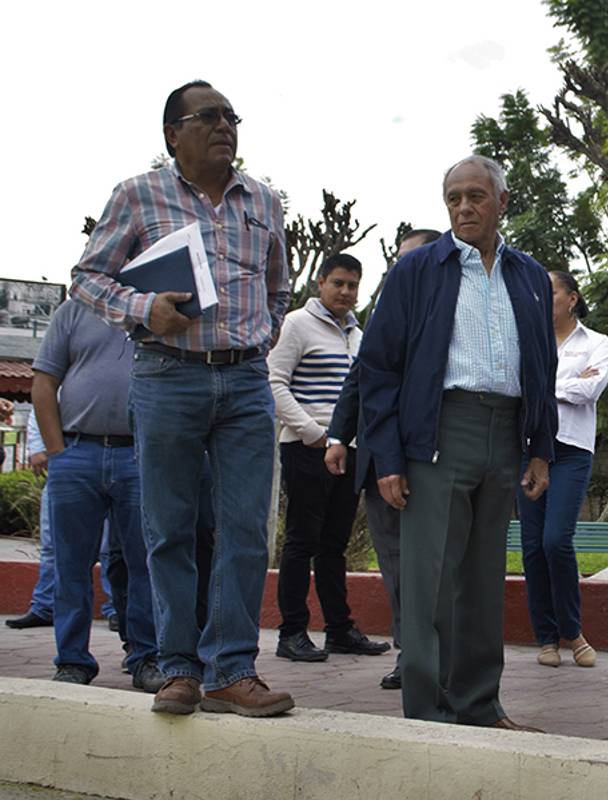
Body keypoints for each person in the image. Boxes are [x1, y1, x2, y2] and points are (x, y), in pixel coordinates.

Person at [70, 80, 293, 717]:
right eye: (209, 117)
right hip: (167, 376)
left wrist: (259, 335)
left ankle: (232, 668)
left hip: (247, 381)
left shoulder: (265, 201)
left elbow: (278, 288)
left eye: (232, 117)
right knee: (167, 529)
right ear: (173, 133)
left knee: (246, 528)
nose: (225, 126)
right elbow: (86, 277)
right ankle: (177, 669)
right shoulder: (138, 195)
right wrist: (143, 309)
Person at [358, 156, 556, 730]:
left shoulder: (528, 276)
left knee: (482, 581)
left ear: (502, 201)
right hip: (439, 433)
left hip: (506, 432)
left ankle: (477, 704)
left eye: (475, 197)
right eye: (453, 199)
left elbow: (541, 364)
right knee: (429, 582)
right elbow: (379, 367)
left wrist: (540, 447)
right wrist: (389, 458)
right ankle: (426, 710)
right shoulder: (418, 271)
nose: (464, 208)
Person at [326, 228, 442, 690]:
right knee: (394, 565)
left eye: (411, 259)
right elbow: (361, 376)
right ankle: (409, 655)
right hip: (379, 459)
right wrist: (339, 435)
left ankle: (443, 654)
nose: (401, 269)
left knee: (438, 565)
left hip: (435, 457)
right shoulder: (384, 310)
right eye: (397, 261)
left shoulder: (456, 310)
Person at [31, 299, 162, 693]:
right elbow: (43, 382)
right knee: (71, 566)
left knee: (146, 565)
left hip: (140, 455)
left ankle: (145, 659)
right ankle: (72, 660)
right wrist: (58, 453)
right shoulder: (72, 312)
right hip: (77, 451)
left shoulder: (155, 310)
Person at [268, 253, 388, 662]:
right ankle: (292, 633)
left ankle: (339, 630)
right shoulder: (297, 324)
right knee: (302, 541)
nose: (346, 292)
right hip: (307, 446)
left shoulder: (358, 335)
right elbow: (275, 381)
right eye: (338, 283)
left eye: (353, 285)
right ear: (320, 282)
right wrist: (313, 433)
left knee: (334, 545)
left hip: (348, 449)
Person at [518, 270, 608, 669]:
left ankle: (571, 632)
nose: (542, 299)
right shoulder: (526, 340)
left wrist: (542, 390)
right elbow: (515, 387)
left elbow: (590, 390)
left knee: (556, 540)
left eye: (550, 292)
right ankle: (546, 638)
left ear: (571, 298)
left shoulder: (597, 343)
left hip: (571, 450)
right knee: (533, 547)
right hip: (526, 449)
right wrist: (565, 384)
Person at [7, 413, 53, 629]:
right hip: (65, 457)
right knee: (51, 543)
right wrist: (36, 446)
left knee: (111, 547)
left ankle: (115, 610)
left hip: (119, 450)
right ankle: (45, 607)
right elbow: (40, 403)